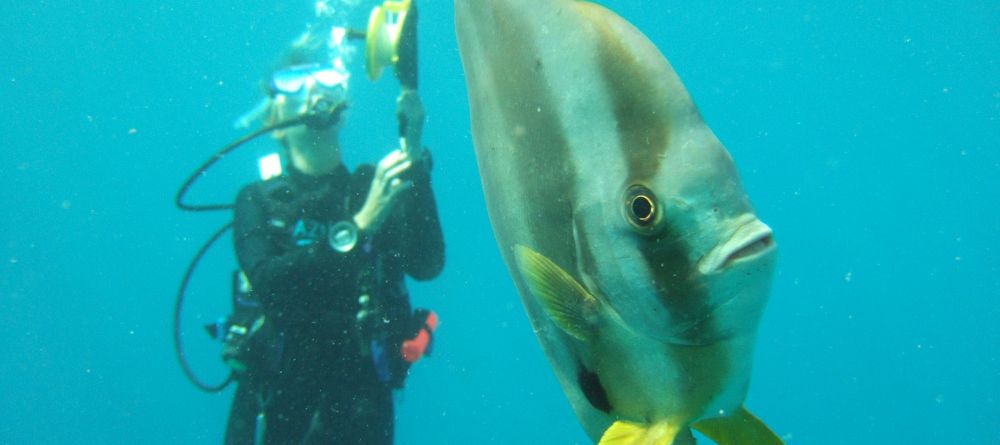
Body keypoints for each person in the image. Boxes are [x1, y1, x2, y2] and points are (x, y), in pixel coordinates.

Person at [221, 41, 445, 445]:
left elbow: (426, 264)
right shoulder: (258, 200)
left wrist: (416, 165)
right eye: (292, 82)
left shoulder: (370, 186)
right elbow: (271, 285)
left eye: (324, 78)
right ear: (274, 115)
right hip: (278, 407)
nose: (312, 91)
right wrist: (359, 227)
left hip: (363, 409)